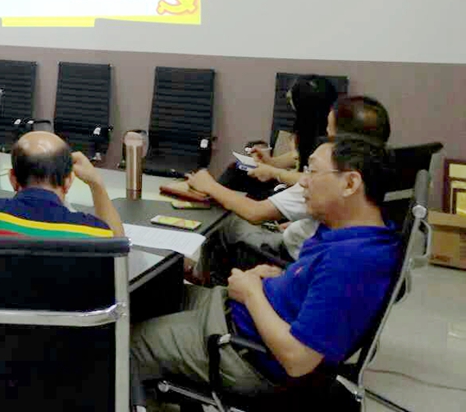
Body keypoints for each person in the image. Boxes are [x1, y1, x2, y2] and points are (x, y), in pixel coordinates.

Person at [132, 136, 400, 401]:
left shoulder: (350, 262)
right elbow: (319, 292)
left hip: (242, 351)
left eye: (313, 172)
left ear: (350, 183)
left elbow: (298, 360)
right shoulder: (355, 233)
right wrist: (280, 278)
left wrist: (252, 293)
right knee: (148, 299)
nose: (303, 181)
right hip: (235, 314)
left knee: (124, 344)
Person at [190, 96, 391, 278]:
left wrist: (209, 185)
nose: (304, 180)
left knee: (227, 222)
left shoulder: (327, 184)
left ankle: (203, 278)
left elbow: (255, 213)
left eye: (330, 130)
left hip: (286, 257)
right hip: (297, 243)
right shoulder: (377, 174)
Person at [0, 131, 125, 238]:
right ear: (68, 182)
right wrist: (96, 184)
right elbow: (118, 252)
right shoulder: (90, 232)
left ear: (12, 179)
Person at [217, 75, 339, 199]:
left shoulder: (330, 136)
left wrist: (274, 172)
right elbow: (297, 155)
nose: (287, 95)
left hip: (303, 190)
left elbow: (313, 180)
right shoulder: (307, 128)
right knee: (236, 169)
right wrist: (271, 162)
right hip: (290, 181)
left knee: (254, 197)